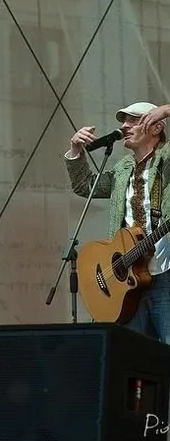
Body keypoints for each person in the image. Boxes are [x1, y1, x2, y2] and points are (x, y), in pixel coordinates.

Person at [65, 102, 170, 343]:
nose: (124, 126)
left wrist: (166, 109)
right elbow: (85, 186)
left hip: (165, 273)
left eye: (133, 120)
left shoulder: (167, 158)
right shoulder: (123, 169)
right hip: (128, 279)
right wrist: (75, 150)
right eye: (124, 121)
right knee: (135, 360)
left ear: (156, 126)